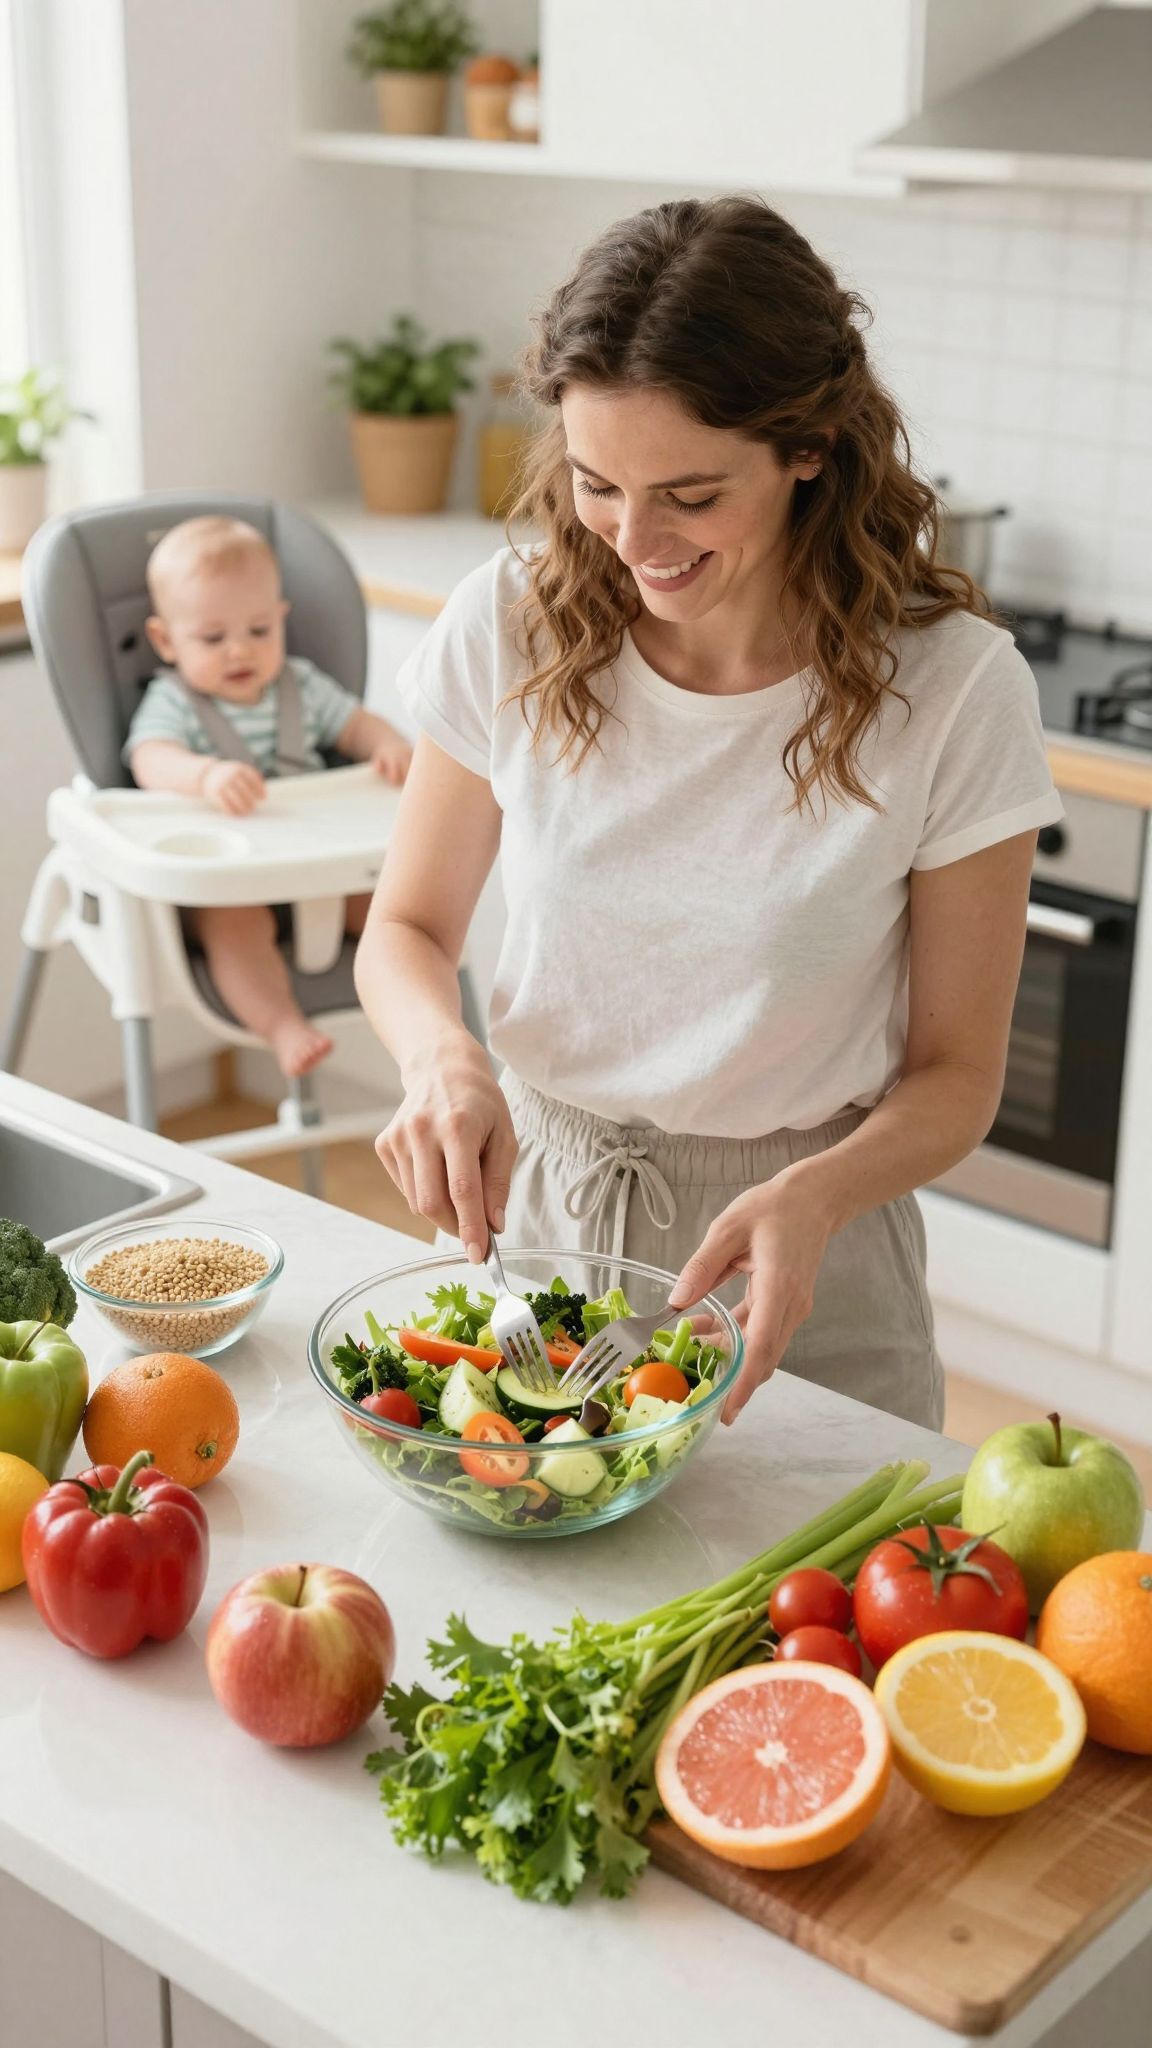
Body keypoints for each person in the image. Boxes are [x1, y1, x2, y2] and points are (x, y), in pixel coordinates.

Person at [353, 195, 1062, 1430]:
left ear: (808, 447)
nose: (636, 538)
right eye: (596, 484)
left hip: (806, 1260)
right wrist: (441, 1056)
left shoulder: (952, 689)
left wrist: (821, 1191)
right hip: (546, 1243)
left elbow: (956, 1075)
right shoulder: (510, 624)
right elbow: (405, 927)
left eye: (688, 492)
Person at [125, 515, 412, 1079]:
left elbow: (355, 725)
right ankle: (283, 1026)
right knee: (235, 931)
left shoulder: (301, 686)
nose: (239, 651)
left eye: (258, 631)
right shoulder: (174, 702)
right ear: (165, 640)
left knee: (392, 904)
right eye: (212, 638)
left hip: (318, 863)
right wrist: (204, 776)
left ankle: (419, 1013)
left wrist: (389, 745)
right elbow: (147, 758)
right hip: (233, 881)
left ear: (281, 619)